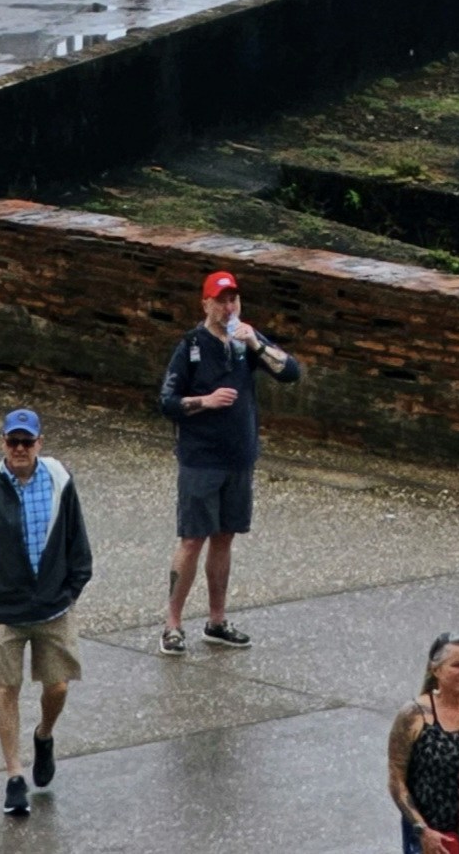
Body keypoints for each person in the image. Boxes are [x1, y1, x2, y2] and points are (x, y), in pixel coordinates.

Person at [158, 267, 303, 655]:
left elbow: (290, 372)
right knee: (193, 539)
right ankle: (172, 624)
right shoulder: (190, 345)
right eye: (221, 300)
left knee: (225, 537)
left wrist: (255, 342)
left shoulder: (245, 343)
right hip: (201, 459)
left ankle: (217, 620)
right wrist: (205, 401)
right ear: (205, 303)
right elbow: (167, 402)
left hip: (239, 458)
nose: (228, 306)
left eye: (233, 299)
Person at [0, 408, 94, 821]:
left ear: (39, 443)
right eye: (12, 441)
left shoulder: (58, 481)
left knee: (58, 688)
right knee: (7, 689)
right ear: (2, 442)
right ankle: (14, 775)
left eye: (27, 442)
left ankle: (44, 734)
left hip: (53, 606)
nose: (19, 449)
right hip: (5, 609)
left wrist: (71, 587)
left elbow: (76, 538)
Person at [387, 633, 459, 854]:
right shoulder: (414, 714)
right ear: (436, 670)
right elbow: (396, 781)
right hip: (430, 832)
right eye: (457, 665)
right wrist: (422, 830)